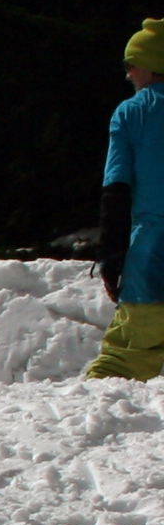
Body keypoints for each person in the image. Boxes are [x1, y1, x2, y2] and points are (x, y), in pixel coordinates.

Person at [89, 19, 164, 381]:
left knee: (124, 361)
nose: (128, 75)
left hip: (153, 254)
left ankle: (80, 424)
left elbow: (116, 189)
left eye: (130, 64)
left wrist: (111, 253)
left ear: (150, 65)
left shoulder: (131, 113)